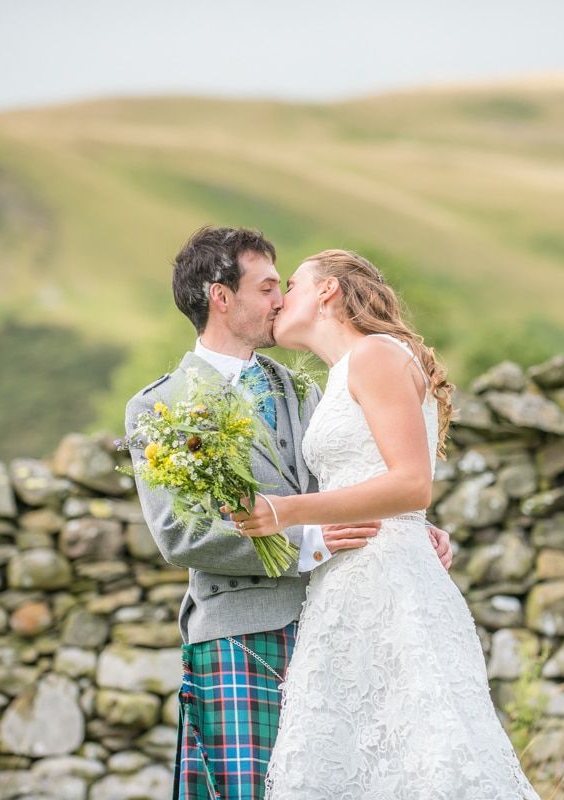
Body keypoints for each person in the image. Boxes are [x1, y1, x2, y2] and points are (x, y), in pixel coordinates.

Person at [124, 227, 453, 800]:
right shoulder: (160, 405)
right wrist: (309, 543)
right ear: (220, 296)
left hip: (335, 618)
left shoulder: (302, 390)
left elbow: (352, 479)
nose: (280, 300)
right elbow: (180, 535)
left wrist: (411, 526)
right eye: (268, 286)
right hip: (240, 629)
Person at [230, 249, 542, 799]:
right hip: (350, 583)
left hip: (388, 583)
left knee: (421, 753)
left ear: (327, 291)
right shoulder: (343, 373)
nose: (279, 299)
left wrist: (283, 511)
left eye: (293, 284)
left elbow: (411, 485)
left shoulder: (375, 353)